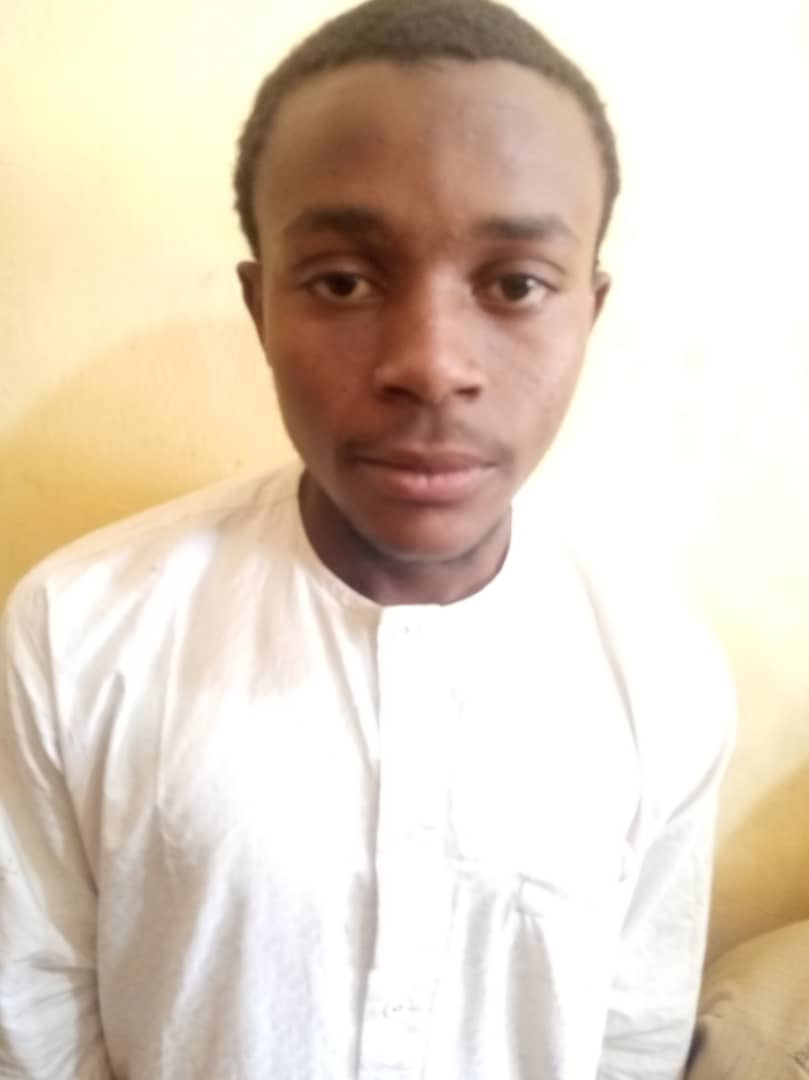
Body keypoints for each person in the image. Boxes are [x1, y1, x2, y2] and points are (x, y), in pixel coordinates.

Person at [0, 1, 734, 1077]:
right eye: (343, 281)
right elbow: (34, 1011)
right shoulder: (77, 629)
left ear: (588, 311)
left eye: (515, 285)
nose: (430, 365)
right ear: (261, 308)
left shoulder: (661, 674)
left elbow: (631, 1031)